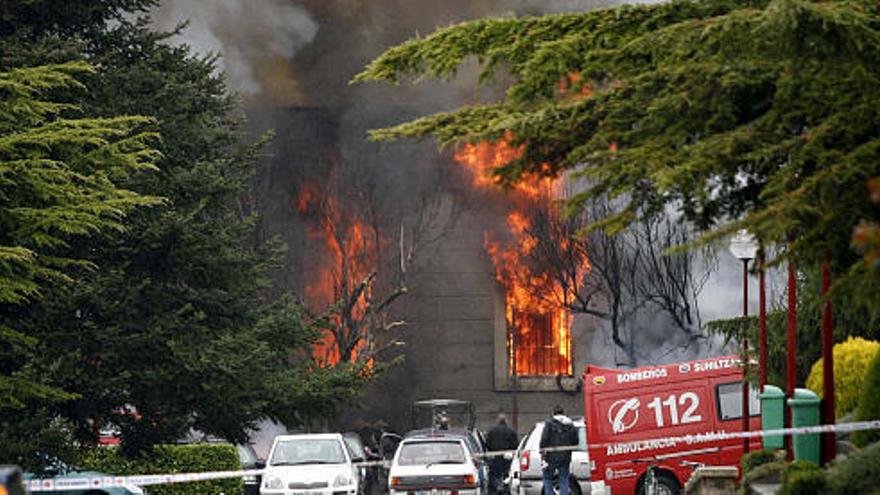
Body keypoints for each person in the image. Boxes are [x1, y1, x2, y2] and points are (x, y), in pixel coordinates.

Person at [539, 405, 578, 495]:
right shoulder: (570, 424)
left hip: (550, 457)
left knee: (547, 478)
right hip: (565, 457)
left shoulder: (549, 423)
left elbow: (544, 439)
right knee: (564, 479)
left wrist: (542, 452)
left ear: (553, 413)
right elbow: (576, 441)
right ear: (563, 413)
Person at [486, 414, 518, 494]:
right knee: (506, 473)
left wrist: (490, 450)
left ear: (498, 421)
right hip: (507, 456)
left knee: (495, 473)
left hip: (494, 455)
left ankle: (497, 487)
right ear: (506, 421)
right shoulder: (511, 431)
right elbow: (515, 444)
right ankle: (504, 488)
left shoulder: (491, 431)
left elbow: (487, 443)